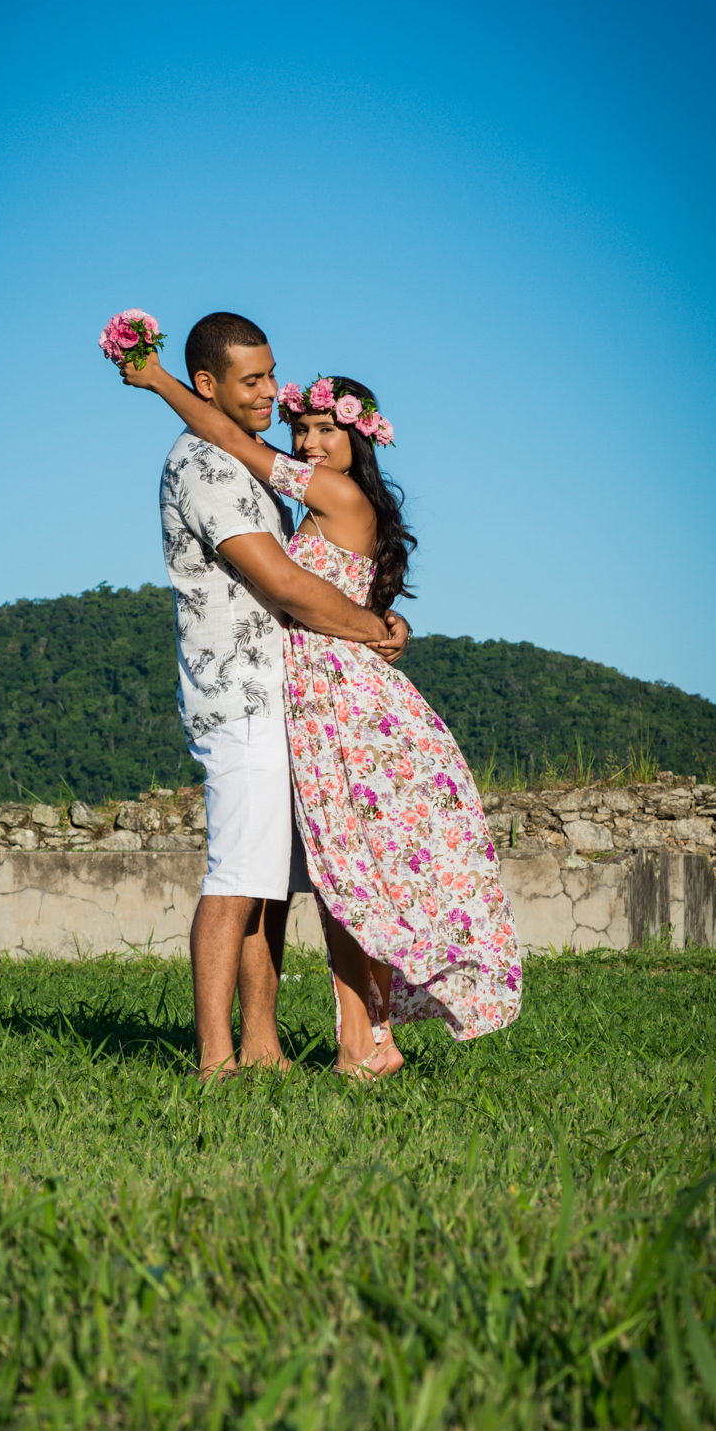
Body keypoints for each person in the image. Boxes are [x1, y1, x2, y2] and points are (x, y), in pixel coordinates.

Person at [120, 339, 523, 1077]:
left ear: (358, 436)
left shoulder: (335, 495)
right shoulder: (316, 489)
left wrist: (157, 383)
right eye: (300, 429)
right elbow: (239, 443)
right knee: (343, 878)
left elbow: (228, 436)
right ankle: (362, 1043)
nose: (304, 441)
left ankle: (366, 1043)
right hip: (314, 696)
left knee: (352, 878)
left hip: (340, 699)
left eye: (322, 430)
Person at [151, 312, 413, 1079]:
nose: (286, 415)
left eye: (322, 427)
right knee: (241, 878)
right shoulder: (206, 465)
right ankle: (217, 1059)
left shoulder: (288, 480)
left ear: (357, 439)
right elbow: (290, 585)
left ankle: (280, 1047)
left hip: (303, 701)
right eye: (255, 382)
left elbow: (317, 577)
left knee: (283, 886)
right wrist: (375, 623)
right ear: (211, 386)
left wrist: (373, 624)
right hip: (245, 700)